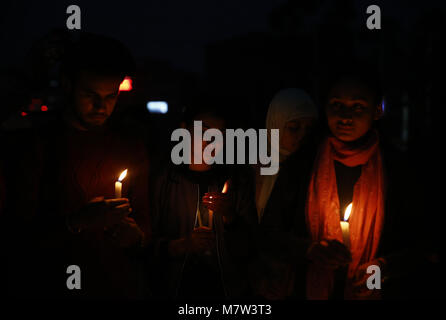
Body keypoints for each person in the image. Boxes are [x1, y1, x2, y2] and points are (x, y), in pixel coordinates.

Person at [6, 32, 151, 298]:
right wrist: (77, 222)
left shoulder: (130, 145)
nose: (101, 106)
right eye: (90, 94)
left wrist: (136, 235)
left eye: (111, 96)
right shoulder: (36, 146)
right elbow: (17, 238)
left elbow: (145, 220)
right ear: (67, 84)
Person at [304, 64, 428, 299]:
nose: (345, 117)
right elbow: (271, 232)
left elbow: (423, 243)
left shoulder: (398, 169)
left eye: (358, 107)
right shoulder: (306, 162)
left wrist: (386, 267)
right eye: (337, 105)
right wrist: (309, 250)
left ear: (377, 111)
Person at [149, 104, 258, 299]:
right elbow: (144, 244)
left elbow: (250, 248)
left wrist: (230, 217)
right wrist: (181, 245)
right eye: (204, 132)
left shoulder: (236, 181)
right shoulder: (163, 180)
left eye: (219, 135)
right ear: (184, 130)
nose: (211, 143)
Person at [251, 88, 319, 299]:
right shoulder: (256, 168)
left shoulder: (316, 171)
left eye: (309, 130)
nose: (302, 137)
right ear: (275, 126)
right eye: (293, 128)